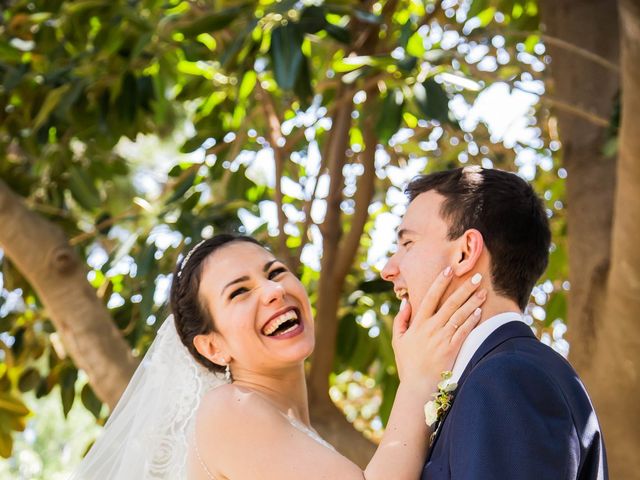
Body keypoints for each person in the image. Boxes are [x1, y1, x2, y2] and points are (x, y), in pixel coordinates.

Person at [69, 233, 486, 479]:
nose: (273, 291)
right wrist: (416, 382)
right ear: (214, 347)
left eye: (274, 273)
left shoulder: (288, 430)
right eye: (239, 292)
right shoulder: (230, 410)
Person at [381, 166, 608, 480]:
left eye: (407, 244)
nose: (388, 270)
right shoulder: (500, 374)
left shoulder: (508, 379)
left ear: (465, 252)